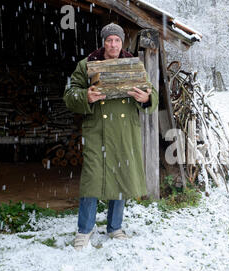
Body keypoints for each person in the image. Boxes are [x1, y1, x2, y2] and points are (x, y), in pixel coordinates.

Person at [63, 23, 158, 250]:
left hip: (125, 130)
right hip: (98, 130)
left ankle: (115, 227)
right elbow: (69, 94)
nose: (113, 44)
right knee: (92, 180)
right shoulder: (87, 65)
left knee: (121, 176)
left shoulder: (133, 65)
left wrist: (145, 98)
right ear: (103, 42)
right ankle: (84, 230)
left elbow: (151, 92)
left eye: (117, 40)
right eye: (109, 40)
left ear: (122, 42)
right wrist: (85, 96)